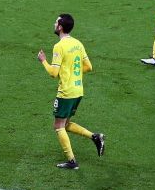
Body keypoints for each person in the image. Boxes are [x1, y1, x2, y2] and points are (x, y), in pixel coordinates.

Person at [37, 13, 105, 170]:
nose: (54, 24)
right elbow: (89, 67)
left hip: (66, 92)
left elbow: (53, 73)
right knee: (66, 124)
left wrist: (43, 61)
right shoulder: (78, 43)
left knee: (58, 126)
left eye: (56, 22)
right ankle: (95, 137)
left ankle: (72, 161)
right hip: (78, 89)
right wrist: (73, 73)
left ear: (60, 27)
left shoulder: (59, 46)